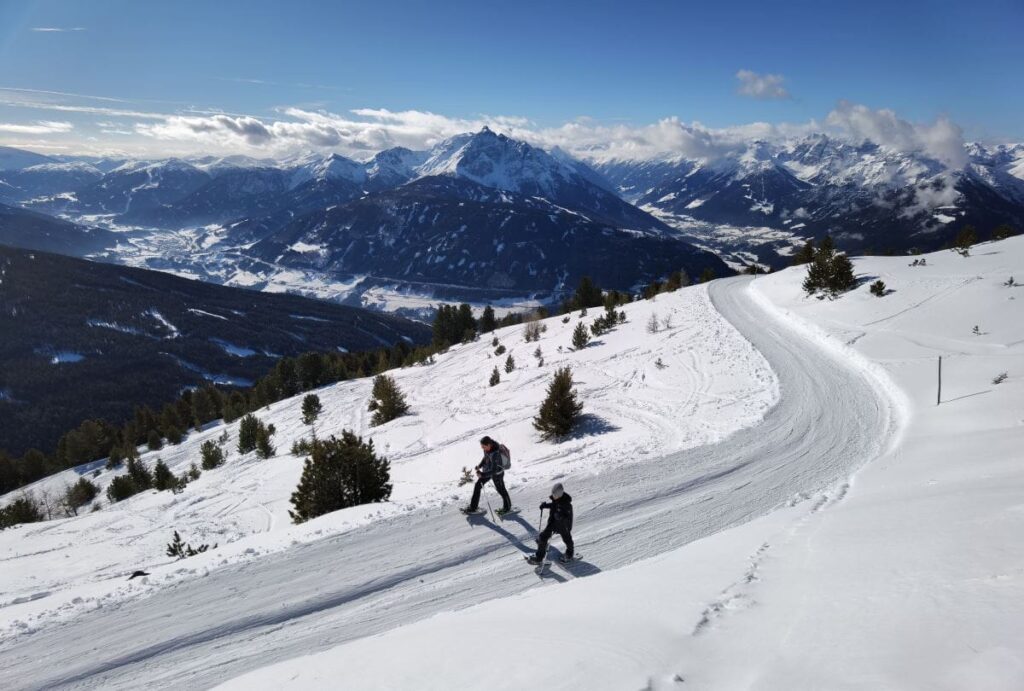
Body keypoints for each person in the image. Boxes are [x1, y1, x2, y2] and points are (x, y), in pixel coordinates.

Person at [462, 436, 512, 515]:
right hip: (487, 471)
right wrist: (480, 466)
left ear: (489, 445)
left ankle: (507, 508)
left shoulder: (496, 453)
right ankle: (473, 507)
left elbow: (494, 470)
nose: (483, 449)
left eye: (484, 447)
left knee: (501, 490)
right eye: (482, 447)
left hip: (497, 474)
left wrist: (482, 474)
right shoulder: (487, 449)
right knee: (478, 485)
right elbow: (485, 458)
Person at [528, 482, 574, 564]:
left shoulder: (567, 504)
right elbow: (554, 505)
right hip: (553, 523)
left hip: (564, 526)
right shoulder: (557, 499)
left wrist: (560, 517)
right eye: (553, 494)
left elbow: (568, 517)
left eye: (555, 495)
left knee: (567, 540)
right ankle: (539, 557)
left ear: (560, 495)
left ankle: (569, 554)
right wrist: (545, 506)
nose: (554, 497)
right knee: (543, 536)